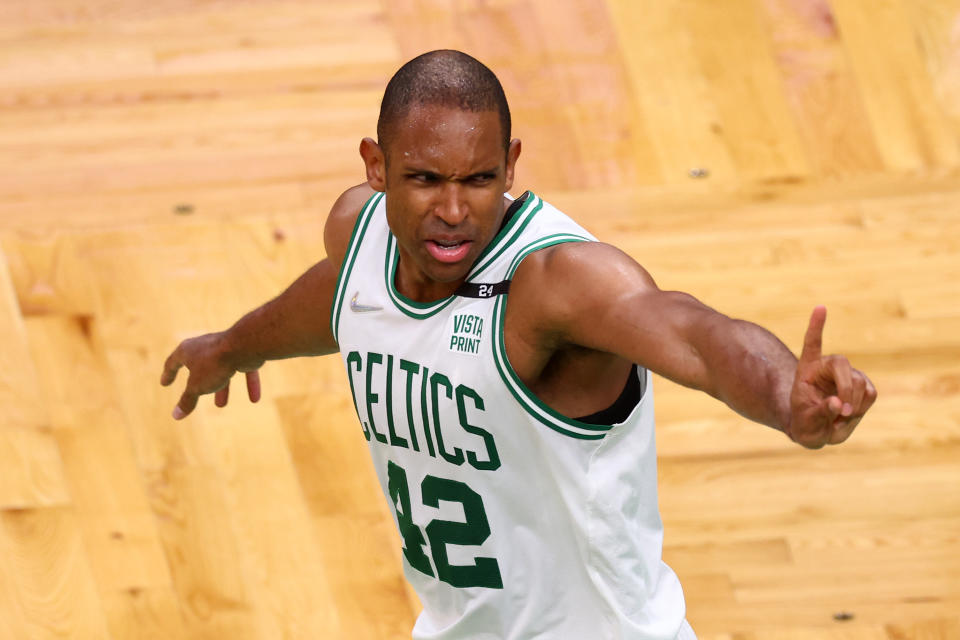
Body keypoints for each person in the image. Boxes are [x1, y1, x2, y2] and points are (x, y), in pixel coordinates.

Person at [161, 50, 876, 639]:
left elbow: (693, 332)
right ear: (376, 169)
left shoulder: (557, 284)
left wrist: (785, 393)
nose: (451, 211)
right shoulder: (361, 237)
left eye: (479, 180)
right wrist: (233, 346)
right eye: (424, 180)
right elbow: (338, 300)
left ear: (511, 165)